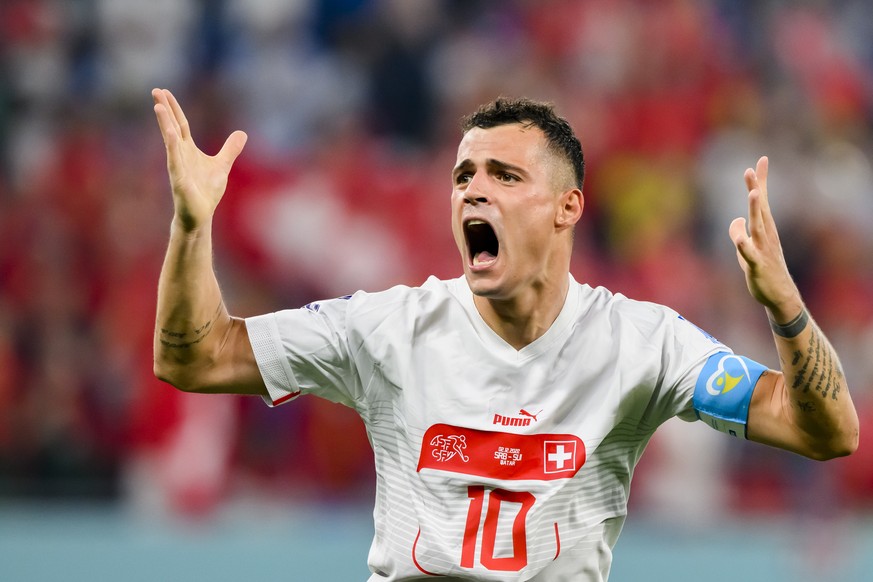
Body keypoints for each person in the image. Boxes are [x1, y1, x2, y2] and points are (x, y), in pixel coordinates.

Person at [150, 87, 859, 581]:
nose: (472, 190)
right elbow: (195, 357)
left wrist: (786, 311)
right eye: (463, 174)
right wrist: (191, 227)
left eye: (503, 174)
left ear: (566, 206)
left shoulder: (644, 344)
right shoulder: (388, 328)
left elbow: (826, 432)